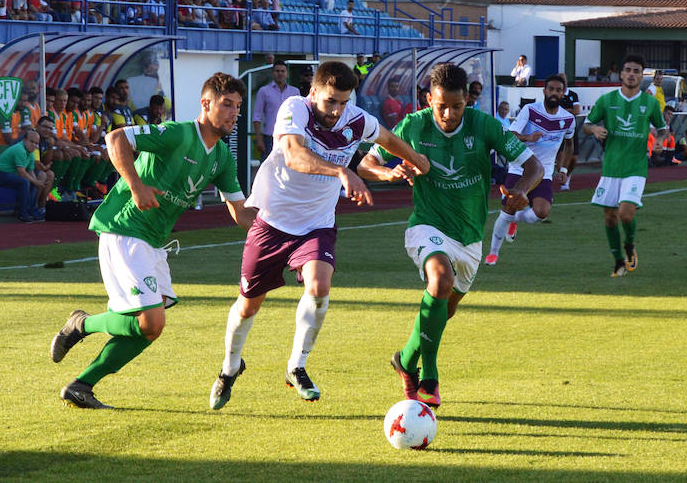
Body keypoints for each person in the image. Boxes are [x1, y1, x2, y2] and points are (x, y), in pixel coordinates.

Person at [208, 61, 430, 410]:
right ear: (313, 93)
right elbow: (295, 154)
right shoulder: (294, 107)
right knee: (249, 305)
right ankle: (229, 368)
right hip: (271, 222)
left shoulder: (356, 120)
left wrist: (415, 160)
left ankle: (296, 366)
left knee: (319, 285)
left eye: (343, 102)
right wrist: (342, 171)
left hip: (316, 224)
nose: (336, 110)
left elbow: (387, 139)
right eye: (330, 101)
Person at [48, 73, 257, 409]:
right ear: (206, 104)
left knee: (150, 328)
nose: (234, 113)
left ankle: (81, 386)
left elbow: (241, 212)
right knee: (152, 319)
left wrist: (280, 231)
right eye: (227, 104)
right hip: (126, 229)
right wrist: (136, 185)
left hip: (154, 242)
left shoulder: (222, 157)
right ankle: (82, 324)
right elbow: (116, 138)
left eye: (238, 107)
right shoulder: (177, 134)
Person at [358, 62, 543, 407]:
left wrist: (520, 191)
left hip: (470, 235)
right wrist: (388, 173)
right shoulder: (412, 126)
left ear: (466, 103)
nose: (448, 113)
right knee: (439, 281)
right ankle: (430, 376)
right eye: (441, 105)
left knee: (445, 309)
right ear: (429, 99)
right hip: (427, 224)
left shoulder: (484, 125)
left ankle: (404, 360)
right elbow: (365, 164)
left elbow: (535, 166)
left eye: (456, 106)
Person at [583, 54, 667, 278]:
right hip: (611, 167)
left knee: (626, 214)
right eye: (628, 69)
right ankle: (618, 261)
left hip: (636, 167)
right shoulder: (607, 100)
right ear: (621, 73)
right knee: (610, 217)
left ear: (641, 76)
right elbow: (586, 124)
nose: (631, 74)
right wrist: (594, 130)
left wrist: (659, 140)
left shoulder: (650, 103)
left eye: (636, 71)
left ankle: (629, 244)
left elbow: (662, 128)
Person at [485, 75, 575, 265]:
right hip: (521, 167)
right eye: (551, 89)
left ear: (563, 93)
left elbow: (569, 146)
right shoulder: (530, 110)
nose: (554, 93)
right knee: (507, 209)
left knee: (542, 212)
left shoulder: (568, 119)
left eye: (559, 90)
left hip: (544, 172)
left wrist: (564, 169)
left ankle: (515, 219)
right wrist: (529, 138)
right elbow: (511, 135)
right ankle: (493, 252)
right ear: (544, 91)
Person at [0, 130, 46, 222]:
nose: (34, 145)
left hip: (8, 174)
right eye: (32, 142)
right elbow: (22, 172)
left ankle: (34, 212)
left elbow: (30, 171)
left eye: (36, 143)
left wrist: (36, 183)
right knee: (24, 182)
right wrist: (36, 182)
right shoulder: (19, 149)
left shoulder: (30, 154)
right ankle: (23, 214)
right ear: (24, 140)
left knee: (33, 183)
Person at [252, 59, 297, 159]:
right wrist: (259, 139)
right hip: (269, 138)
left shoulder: (295, 92)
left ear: (287, 74)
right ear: (272, 73)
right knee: (268, 170)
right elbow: (257, 116)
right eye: (277, 71)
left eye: (282, 71)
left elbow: (298, 115)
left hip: (289, 137)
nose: (280, 73)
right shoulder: (264, 91)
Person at [557, 72, 581, 189]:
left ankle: (567, 175)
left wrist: (563, 112)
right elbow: (553, 111)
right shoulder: (555, 95)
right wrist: (568, 111)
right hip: (557, 129)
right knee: (561, 155)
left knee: (574, 157)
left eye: (564, 79)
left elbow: (577, 111)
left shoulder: (573, 95)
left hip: (571, 128)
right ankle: (562, 178)